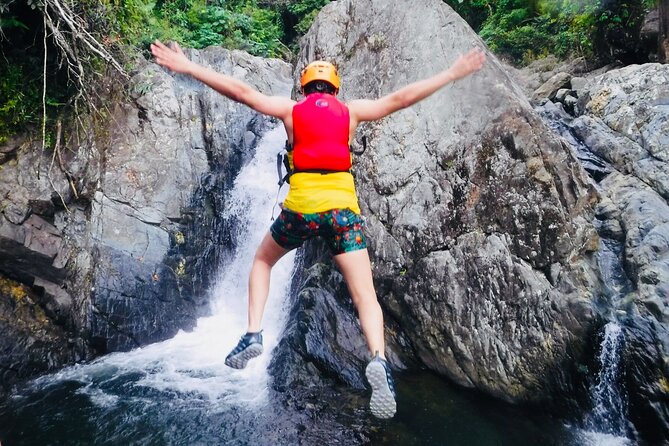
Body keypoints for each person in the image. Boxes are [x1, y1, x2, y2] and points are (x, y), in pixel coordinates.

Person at [150, 40, 485, 419]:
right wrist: (452, 73)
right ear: (336, 88)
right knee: (365, 296)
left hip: (301, 210)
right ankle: (378, 359)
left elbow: (242, 92)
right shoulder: (351, 112)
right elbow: (401, 99)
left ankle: (254, 333)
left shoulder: (291, 111)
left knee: (262, 262)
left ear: (305, 86)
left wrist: (189, 66)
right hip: (342, 211)